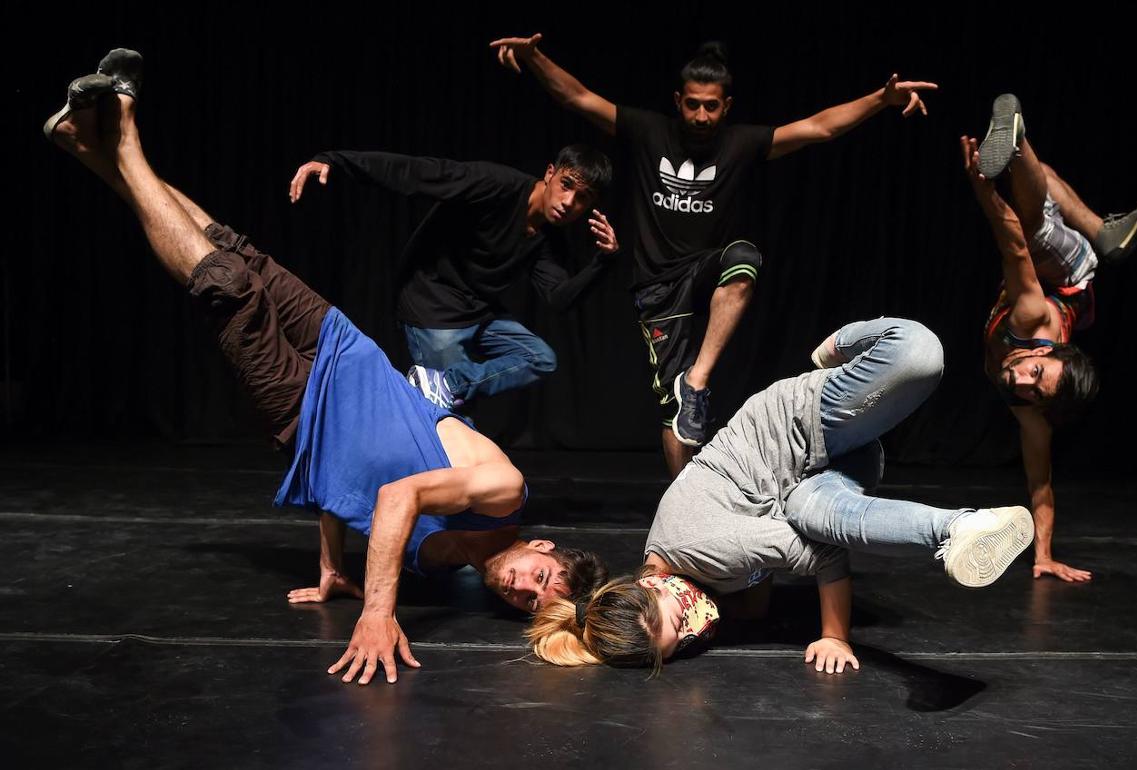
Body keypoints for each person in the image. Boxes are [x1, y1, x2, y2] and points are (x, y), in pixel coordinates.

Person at [43, 51, 606, 686]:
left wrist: (335, 563)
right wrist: (376, 611)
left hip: (304, 411)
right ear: (543, 548)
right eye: (541, 579)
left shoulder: (445, 567)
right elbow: (399, 494)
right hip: (348, 350)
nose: (522, 589)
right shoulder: (502, 492)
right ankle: (98, 143)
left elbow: (359, 485)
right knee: (236, 252)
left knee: (225, 280)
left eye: (531, 602)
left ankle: (112, 133)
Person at [489, 34, 937, 475]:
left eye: (712, 106)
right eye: (692, 104)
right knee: (677, 418)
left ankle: (697, 379)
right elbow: (578, 97)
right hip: (656, 287)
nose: (701, 115)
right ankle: (682, 499)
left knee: (743, 257)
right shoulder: (648, 132)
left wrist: (881, 98)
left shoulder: (740, 144)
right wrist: (535, 57)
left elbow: (819, 127)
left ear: (727, 107)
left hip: (704, 272)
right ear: (678, 100)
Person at [527, 318, 1035, 673]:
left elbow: (824, 553)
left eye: (676, 619)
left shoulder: (699, 548)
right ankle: (957, 528)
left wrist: (834, 635)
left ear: (650, 585)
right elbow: (760, 582)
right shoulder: (679, 576)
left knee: (921, 354)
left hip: (800, 424)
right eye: (677, 645)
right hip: (814, 479)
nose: (690, 628)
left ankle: (842, 341)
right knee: (813, 510)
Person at [961, 93, 1137, 583]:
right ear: (1041, 352)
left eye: (1034, 391)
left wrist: (1043, 555)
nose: (1023, 384)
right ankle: (1023, 145)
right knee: (1028, 226)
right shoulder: (1032, 323)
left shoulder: (1032, 410)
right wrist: (983, 188)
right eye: (1035, 374)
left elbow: (1042, 485)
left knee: (1042, 183)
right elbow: (1010, 240)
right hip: (1073, 274)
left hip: (1053, 279)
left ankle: (1096, 222)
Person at [288, 143, 619, 408]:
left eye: (582, 198)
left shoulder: (549, 239)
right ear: (550, 173)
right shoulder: (497, 186)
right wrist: (337, 162)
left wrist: (603, 262)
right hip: (433, 306)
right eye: (566, 185)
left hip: (477, 313)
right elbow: (420, 173)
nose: (568, 202)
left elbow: (557, 297)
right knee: (453, 422)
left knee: (541, 359)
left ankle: (442, 387)